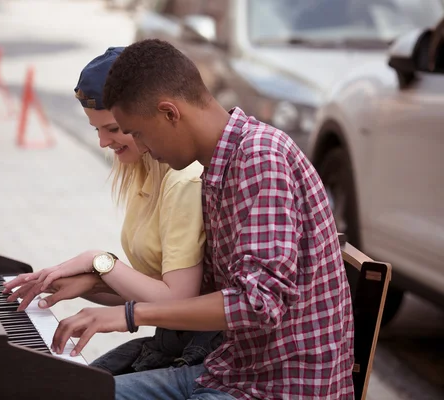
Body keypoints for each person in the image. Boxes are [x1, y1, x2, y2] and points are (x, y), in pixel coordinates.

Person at [48, 39, 355, 399]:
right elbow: (206, 295)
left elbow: (258, 304)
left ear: (170, 113)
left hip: (280, 388)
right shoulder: (218, 167)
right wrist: (96, 283)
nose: (142, 147)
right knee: (77, 391)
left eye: (138, 133)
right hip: (230, 371)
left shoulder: (260, 158)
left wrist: (133, 316)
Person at [2, 47, 222, 375]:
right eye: (96, 130)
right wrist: (91, 283)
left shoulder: (183, 181)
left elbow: (174, 301)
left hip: (199, 351)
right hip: (173, 340)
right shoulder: (142, 170)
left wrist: (101, 262)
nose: (104, 142)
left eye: (115, 129)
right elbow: (149, 292)